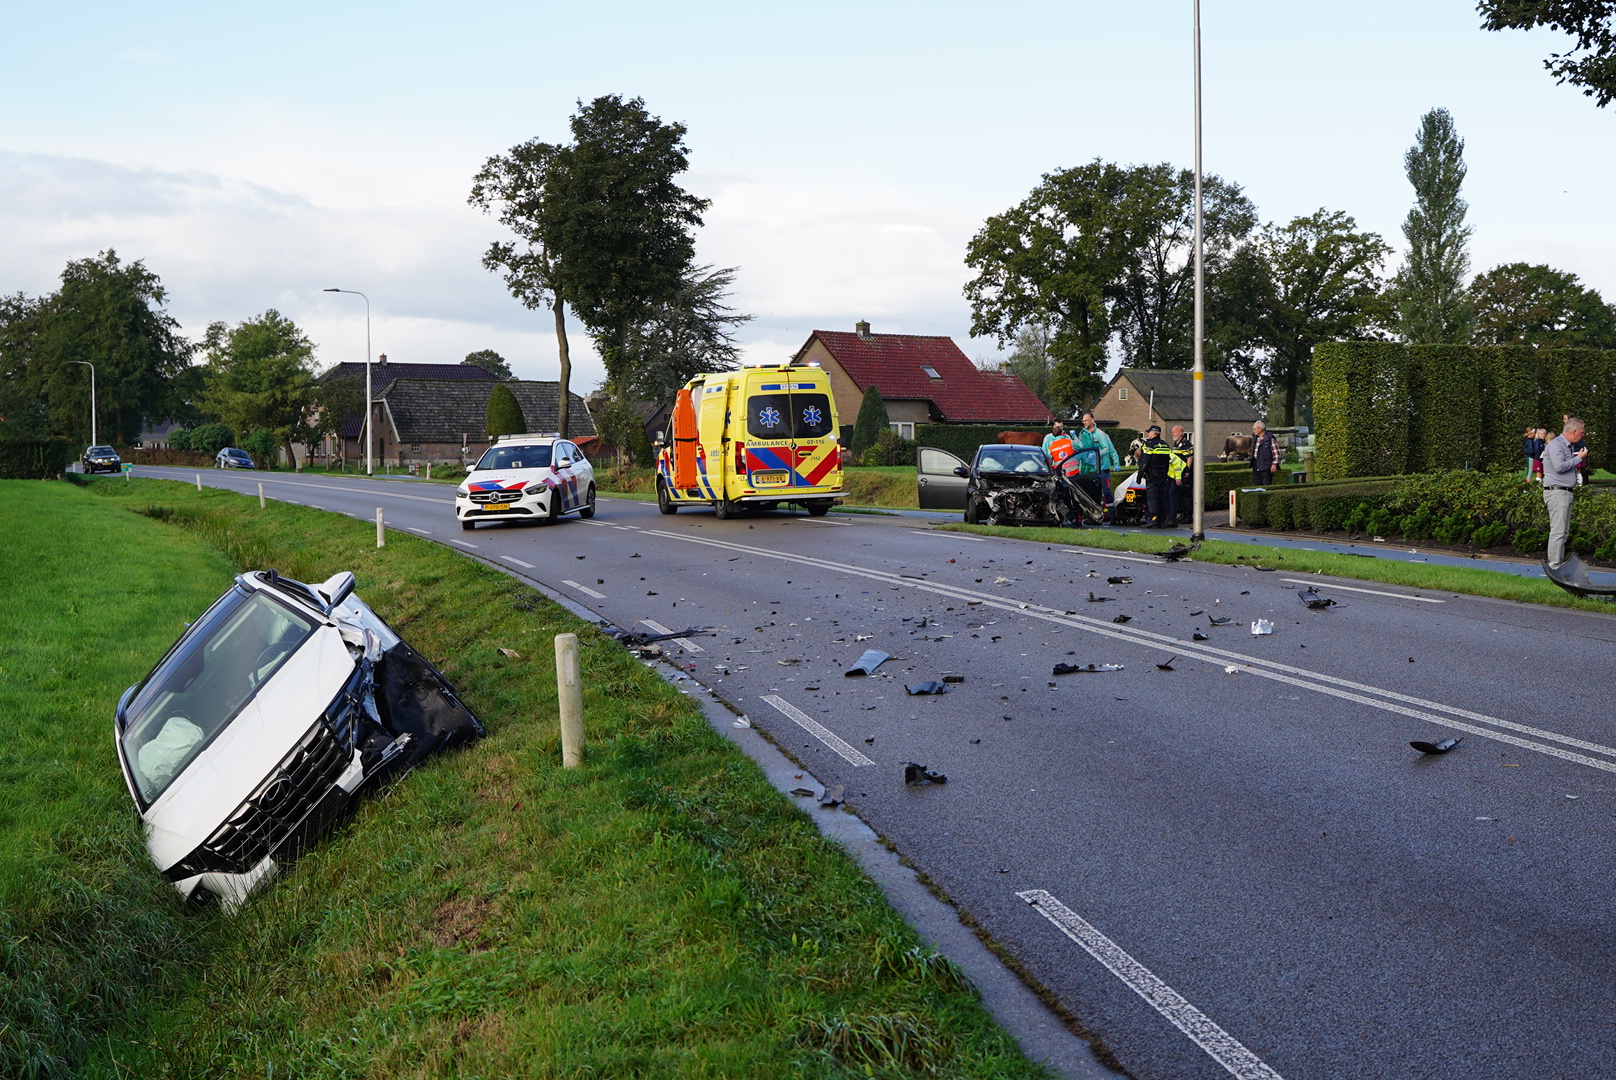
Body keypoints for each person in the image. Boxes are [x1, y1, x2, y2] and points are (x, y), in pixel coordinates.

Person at [1543, 417, 1587, 570]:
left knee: (1563, 531)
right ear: (1574, 431)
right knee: (1558, 531)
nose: (1583, 435)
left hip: (1564, 492)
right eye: (1582, 433)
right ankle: (1554, 566)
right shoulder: (1556, 445)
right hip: (1557, 492)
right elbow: (1559, 467)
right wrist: (1578, 459)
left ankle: (1557, 564)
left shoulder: (1566, 446)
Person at [1074, 411, 1120, 521]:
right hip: (1090, 469)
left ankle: (1113, 517)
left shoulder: (1100, 434)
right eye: (1083, 421)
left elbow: (1108, 449)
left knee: (1106, 492)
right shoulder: (1083, 434)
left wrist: (1116, 463)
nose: (1084, 422)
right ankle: (1096, 516)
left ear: (1092, 420)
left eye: (1086, 420)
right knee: (1092, 494)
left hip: (1102, 468)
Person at [1139, 424, 1173, 528]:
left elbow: (1145, 461)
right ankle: (1161, 520)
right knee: (1161, 497)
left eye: (1149, 432)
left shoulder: (1149, 445)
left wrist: (1140, 474)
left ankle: (1153, 519)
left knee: (1152, 498)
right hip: (1162, 475)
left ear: (1154, 433)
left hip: (1152, 476)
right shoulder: (1165, 445)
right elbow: (1168, 461)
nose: (1148, 433)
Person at [1170, 424, 1194, 524]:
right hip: (1179, 473)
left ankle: (1188, 516)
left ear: (1181, 433)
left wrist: (1187, 471)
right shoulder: (1176, 443)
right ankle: (1183, 514)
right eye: (1172, 432)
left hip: (1185, 473)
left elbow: (1189, 457)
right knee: (1180, 494)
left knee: (1186, 495)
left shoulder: (1185, 443)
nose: (1172, 434)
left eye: (1174, 432)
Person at [1250, 421, 1279, 486]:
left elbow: (1276, 452)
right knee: (1257, 486)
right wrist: (1252, 464)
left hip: (1266, 466)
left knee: (1266, 486)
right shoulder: (1255, 438)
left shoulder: (1270, 438)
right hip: (1256, 466)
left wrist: (1274, 464)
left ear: (1260, 429)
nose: (1253, 431)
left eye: (1254, 429)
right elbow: (1253, 451)